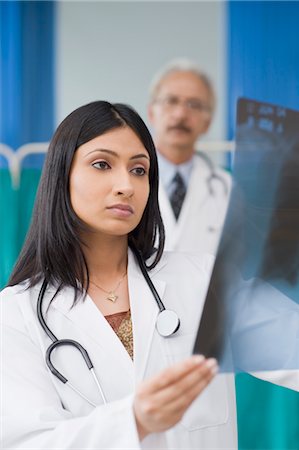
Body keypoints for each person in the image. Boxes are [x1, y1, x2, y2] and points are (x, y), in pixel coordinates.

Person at [0, 100, 218, 449]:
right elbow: (28, 443)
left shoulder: (203, 279)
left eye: (139, 170)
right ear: (62, 175)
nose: (126, 185)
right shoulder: (15, 314)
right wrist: (133, 422)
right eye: (102, 164)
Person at [148, 59, 231, 254]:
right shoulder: (126, 183)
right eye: (171, 101)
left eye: (194, 104)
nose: (180, 114)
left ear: (207, 122)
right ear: (152, 112)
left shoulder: (228, 189)